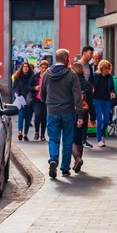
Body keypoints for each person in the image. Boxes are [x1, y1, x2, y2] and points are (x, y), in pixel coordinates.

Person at [41, 49, 83, 179]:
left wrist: (48, 102)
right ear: (66, 59)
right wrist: (80, 115)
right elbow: (77, 96)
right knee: (67, 140)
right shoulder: (72, 75)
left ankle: (53, 159)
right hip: (68, 112)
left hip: (52, 111)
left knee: (53, 138)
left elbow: (42, 94)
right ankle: (65, 169)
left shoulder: (47, 74)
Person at [70, 62, 90, 173]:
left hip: (72, 111)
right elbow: (91, 100)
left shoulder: (71, 82)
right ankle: (79, 160)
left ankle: (77, 159)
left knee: (71, 138)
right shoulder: (86, 83)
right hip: (84, 112)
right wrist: (93, 116)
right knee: (80, 138)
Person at [91, 60, 114, 148]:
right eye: (106, 68)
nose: (107, 70)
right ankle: (99, 140)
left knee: (107, 120)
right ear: (101, 68)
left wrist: (112, 92)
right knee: (99, 120)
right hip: (97, 100)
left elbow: (112, 88)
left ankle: (102, 133)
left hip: (107, 100)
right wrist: (92, 89)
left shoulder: (110, 77)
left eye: (109, 68)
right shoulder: (95, 76)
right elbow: (92, 84)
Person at [12, 62, 35, 141]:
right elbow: (14, 87)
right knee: (21, 115)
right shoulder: (18, 77)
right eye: (24, 67)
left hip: (29, 99)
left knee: (28, 118)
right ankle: (20, 132)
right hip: (21, 98)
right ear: (21, 68)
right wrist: (16, 93)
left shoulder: (32, 77)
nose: (25, 68)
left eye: (27, 67)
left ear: (29, 68)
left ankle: (25, 134)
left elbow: (33, 87)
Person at [31, 59, 50, 141]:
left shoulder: (49, 77)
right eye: (42, 68)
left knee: (44, 117)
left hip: (46, 99)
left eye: (45, 68)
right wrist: (35, 88)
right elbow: (29, 86)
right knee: (38, 114)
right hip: (37, 98)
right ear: (40, 68)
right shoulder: (35, 76)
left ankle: (42, 134)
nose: (44, 69)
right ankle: (36, 132)